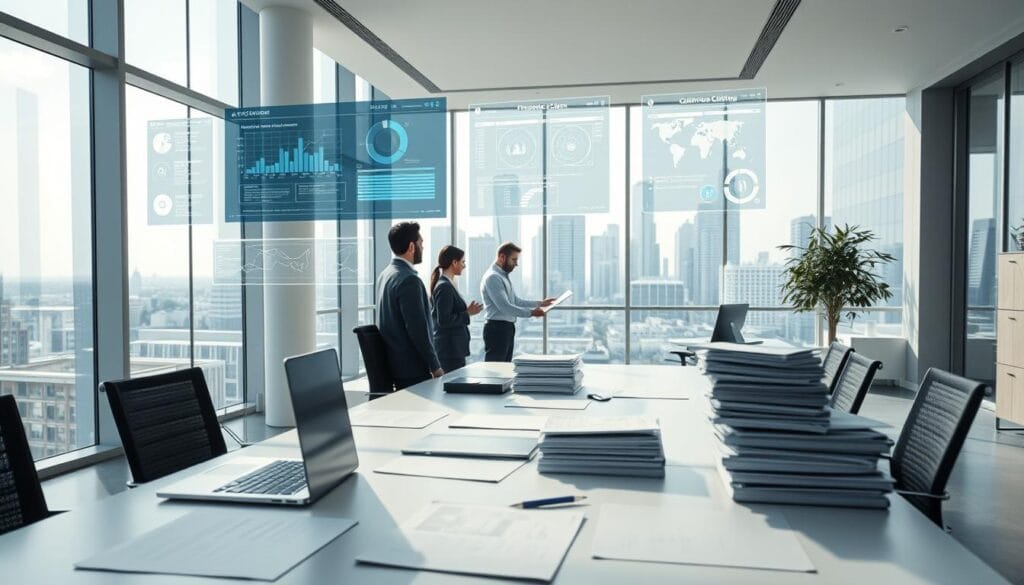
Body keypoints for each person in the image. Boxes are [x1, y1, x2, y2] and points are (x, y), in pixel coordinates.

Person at [375, 222, 442, 389]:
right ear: (412, 246)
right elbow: (418, 329)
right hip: (411, 370)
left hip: (393, 365)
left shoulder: (385, 274)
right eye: (421, 244)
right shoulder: (409, 280)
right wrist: (435, 366)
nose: (423, 248)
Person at [480, 242, 556, 362]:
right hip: (497, 329)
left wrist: (540, 303)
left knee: (504, 367)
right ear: (502, 257)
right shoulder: (493, 277)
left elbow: (515, 301)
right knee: (496, 368)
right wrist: (531, 313)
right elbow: (505, 307)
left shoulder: (502, 276)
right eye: (514, 259)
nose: (516, 264)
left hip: (505, 328)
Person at [430, 245, 483, 373]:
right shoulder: (444, 287)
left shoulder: (447, 284)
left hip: (453, 350)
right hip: (449, 351)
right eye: (463, 262)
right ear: (454, 262)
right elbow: (444, 320)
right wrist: (468, 313)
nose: (464, 266)